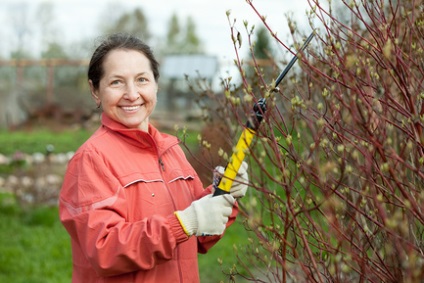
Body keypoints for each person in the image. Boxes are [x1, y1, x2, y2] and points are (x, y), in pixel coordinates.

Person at [59, 33, 249, 283]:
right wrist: (183, 223)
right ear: (95, 91)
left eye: (142, 80)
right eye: (117, 82)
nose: (132, 93)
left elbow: (200, 235)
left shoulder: (171, 150)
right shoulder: (92, 159)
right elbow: (104, 249)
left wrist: (224, 194)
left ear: (155, 85)